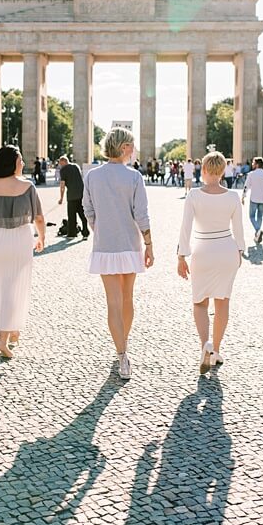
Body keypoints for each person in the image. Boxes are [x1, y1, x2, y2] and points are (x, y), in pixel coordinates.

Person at [83, 127, 153, 380]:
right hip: (130, 244)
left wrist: (99, 227)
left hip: (105, 245)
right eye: (132, 146)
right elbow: (141, 214)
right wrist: (149, 244)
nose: (134, 151)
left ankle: (121, 353)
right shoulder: (134, 177)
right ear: (124, 148)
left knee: (112, 301)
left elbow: (87, 208)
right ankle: (124, 346)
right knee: (127, 299)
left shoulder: (92, 176)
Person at [0, 146, 45, 359]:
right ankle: (2, 339)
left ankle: (13, 330)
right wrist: (42, 237)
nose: (23, 163)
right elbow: (39, 218)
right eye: (20, 159)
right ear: (12, 162)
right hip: (19, 239)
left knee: (1, 288)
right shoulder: (27, 186)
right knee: (13, 288)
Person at [177, 151, 245, 374]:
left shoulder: (194, 195)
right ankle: (215, 350)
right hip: (227, 248)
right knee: (222, 302)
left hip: (203, 250)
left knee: (200, 302)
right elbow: (239, 229)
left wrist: (181, 256)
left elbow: (185, 229)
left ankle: (205, 344)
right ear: (223, 170)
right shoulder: (233, 196)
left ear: (203, 170)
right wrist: (240, 251)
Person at [56, 155, 89, 239]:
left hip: (71, 196)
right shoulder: (76, 166)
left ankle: (72, 233)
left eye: (60, 163)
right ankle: (85, 233)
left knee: (71, 215)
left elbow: (62, 185)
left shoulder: (63, 170)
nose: (60, 165)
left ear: (63, 161)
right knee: (82, 214)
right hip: (81, 194)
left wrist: (61, 198)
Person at [241, 156, 263, 244]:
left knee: (251, 216)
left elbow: (246, 186)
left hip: (254, 198)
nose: (252, 164)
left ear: (257, 164)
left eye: (253, 163)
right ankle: (257, 234)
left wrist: (243, 196)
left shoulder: (251, 174)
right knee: (259, 217)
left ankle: (258, 230)